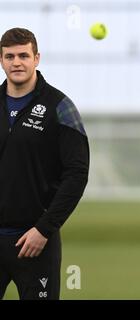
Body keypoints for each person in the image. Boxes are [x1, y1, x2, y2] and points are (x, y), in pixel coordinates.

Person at [0, 28, 89, 300]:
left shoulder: (60, 107)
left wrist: (44, 228)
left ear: (36, 58)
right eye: (10, 56)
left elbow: (77, 174)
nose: (17, 62)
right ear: (1, 60)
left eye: (24, 55)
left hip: (37, 242)